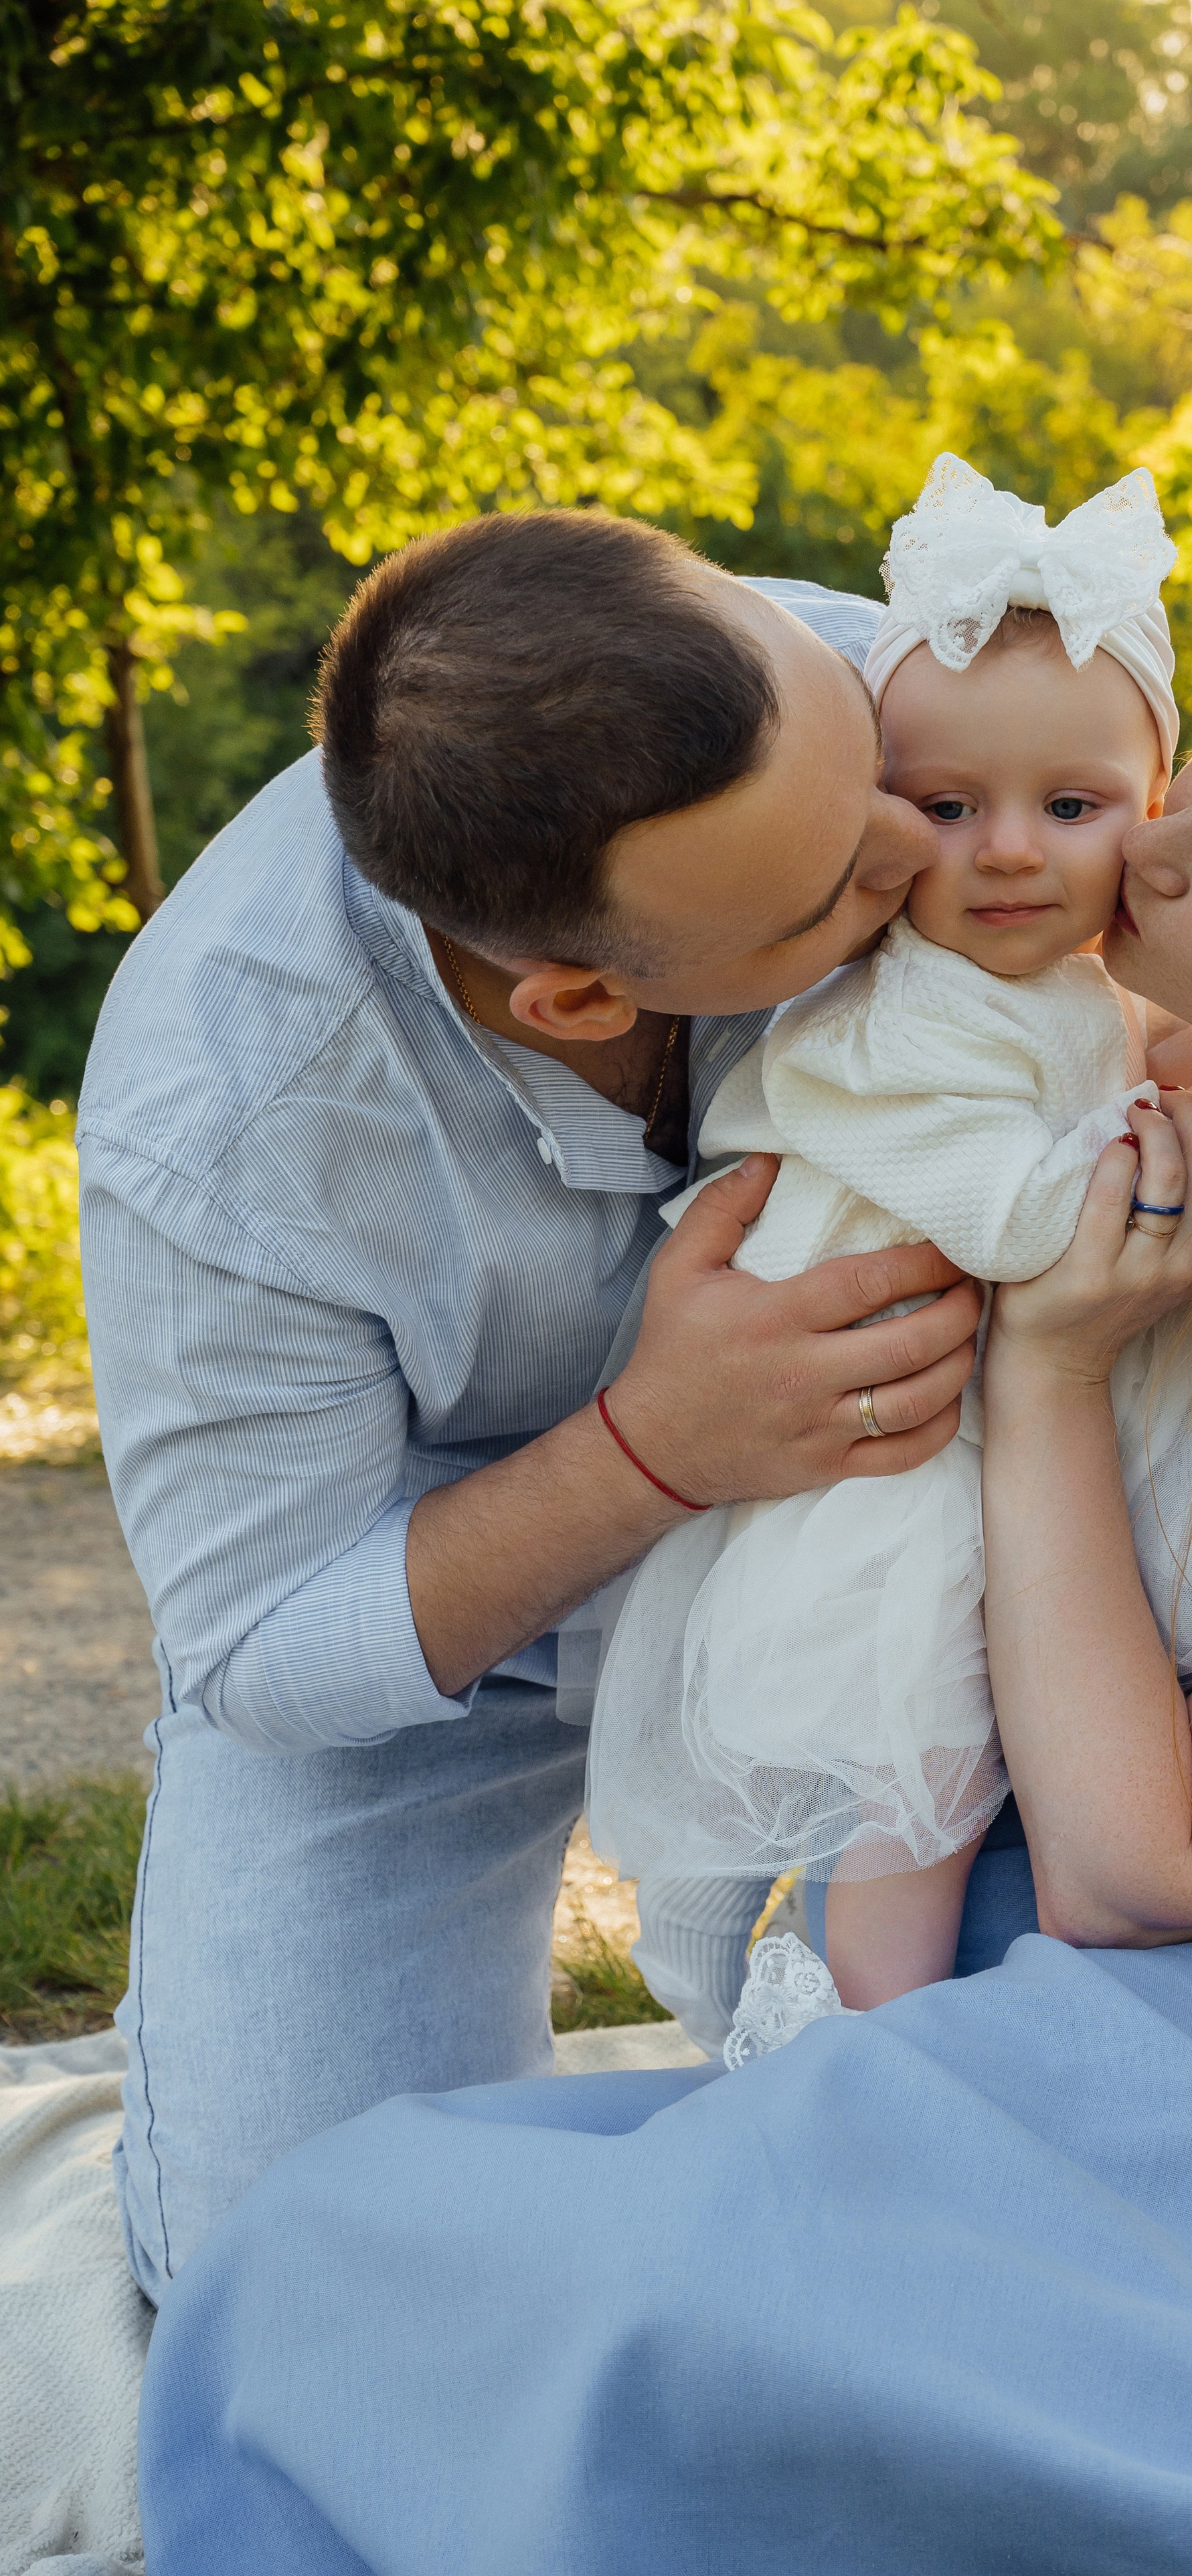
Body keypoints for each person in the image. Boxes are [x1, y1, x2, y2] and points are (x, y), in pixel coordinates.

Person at [135, 560, 1192, 2573]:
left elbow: (1145, 1873)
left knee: (662, 2336)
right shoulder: (1109, 1047)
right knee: (316, 2270)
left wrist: (1052, 1373)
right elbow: (257, 1635)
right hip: (974, 2001)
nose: (1147, 843)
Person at [77, 509, 988, 2300]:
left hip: (913, 1562)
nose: (913, 847)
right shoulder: (226, 1119)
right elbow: (264, 1644)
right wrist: (654, 1452)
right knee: (298, 2289)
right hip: (448, 1660)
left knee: (1006, 2179)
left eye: (878, 773)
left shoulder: (884, 689)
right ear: (580, 994)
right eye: (828, 898)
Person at [591, 455, 1192, 2014]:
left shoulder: (1069, 994)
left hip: (986, 1442)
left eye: (1070, 806)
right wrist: (1169, 1137)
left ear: (1148, 816)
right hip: (884, 1485)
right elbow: (1020, 1218)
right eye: (948, 808)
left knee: (993, 1771)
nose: (1010, 849)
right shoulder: (881, 1026)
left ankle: (792, 1993)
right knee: (912, 1796)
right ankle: (847, 2046)